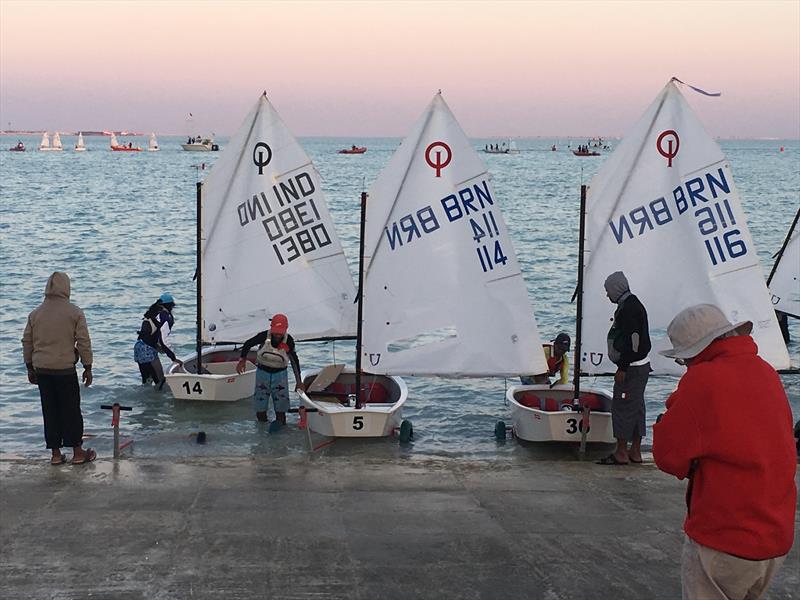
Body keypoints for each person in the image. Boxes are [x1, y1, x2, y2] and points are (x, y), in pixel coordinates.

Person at [653, 304, 796, 600]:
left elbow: (668, 456)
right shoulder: (766, 372)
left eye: (683, 358)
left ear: (695, 351)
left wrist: (672, 409)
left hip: (725, 535)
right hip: (774, 538)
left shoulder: (702, 380)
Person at [21, 272, 95, 465]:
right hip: (65, 370)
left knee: (50, 410)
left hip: (42, 370)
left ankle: (55, 454)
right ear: (66, 288)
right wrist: (87, 366)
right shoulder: (75, 312)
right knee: (71, 410)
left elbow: (27, 342)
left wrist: (30, 367)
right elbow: (83, 342)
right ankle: (78, 453)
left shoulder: (35, 314)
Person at [597, 271, 650, 465]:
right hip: (641, 366)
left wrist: (622, 367)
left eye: (608, 290)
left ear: (615, 288)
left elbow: (633, 343)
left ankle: (621, 452)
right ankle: (635, 452)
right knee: (637, 408)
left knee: (622, 407)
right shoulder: (632, 304)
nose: (607, 294)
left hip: (632, 368)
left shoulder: (628, 308)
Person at [236, 313, 304, 426]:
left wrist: (299, 382)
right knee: (260, 407)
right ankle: (262, 428)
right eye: (275, 331)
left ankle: (280, 430)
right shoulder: (264, 336)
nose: (277, 334)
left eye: (280, 331)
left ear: (286, 329)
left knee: (281, 409)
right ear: (271, 327)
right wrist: (242, 360)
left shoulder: (289, 341)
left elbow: (294, 361)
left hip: (280, 376)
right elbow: (248, 344)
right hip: (263, 374)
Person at [134, 293, 182, 387]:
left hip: (139, 347)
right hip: (148, 350)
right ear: (171, 306)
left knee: (147, 382)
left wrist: (158, 348)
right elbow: (163, 339)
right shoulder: (165, 317)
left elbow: (150, 335)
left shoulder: (153, 313)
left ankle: (145, 401)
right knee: (160, 382)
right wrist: (173, 357)